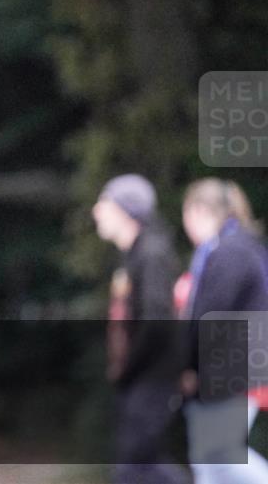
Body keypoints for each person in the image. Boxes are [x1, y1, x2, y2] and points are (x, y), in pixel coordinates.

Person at [92, 173, 190, 484]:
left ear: (127, 211)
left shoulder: (152, 253)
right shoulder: (136, 253)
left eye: (103, 203)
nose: (96, 211)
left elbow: (157, 323)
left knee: (136, 466)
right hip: (141, 378)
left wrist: (129, 367)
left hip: (152, 376)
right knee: (134, 467)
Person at [180, 178, 268, 484]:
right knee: (208, 463)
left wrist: (188, 365)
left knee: (220, 457)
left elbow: (208, 318)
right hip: (229, 371)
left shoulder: (229, 252)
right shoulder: (237, 248)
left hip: (231, 372)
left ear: (198, 211)